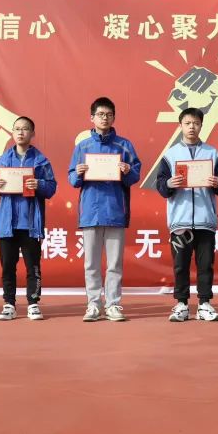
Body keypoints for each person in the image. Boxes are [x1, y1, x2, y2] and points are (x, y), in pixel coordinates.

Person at [67, 97, 142, 322]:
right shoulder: (83, 147)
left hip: (115, 210)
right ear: (92, 118)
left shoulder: (124, 145)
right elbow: (72, 179)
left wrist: (127, 170)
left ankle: (113, 304)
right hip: (90, 212)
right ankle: (93, 304)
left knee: (114, 264)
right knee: (91, 263)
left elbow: (135, 175)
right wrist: (79, 173)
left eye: (109, 114)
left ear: (114, 117)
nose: (105, 118)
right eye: (100, 114)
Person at [154, 108, 218, 322]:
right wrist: (169, 183)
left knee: (205, 264)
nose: (191, 127)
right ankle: (181, 304)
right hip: (181, 221)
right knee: (181, 264)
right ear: (180, 126)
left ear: (201, 126)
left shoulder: (213, 153)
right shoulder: (170, 155)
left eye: (196, 123)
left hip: (206, 220)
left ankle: (204, 304)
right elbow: (160, 185)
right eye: (187, 123)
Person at [0, 116, 58, 321]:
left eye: (25, 129)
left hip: (30, 223)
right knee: (7, 266)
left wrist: (40, 185)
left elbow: (51, 187)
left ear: (32, 133)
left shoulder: (41, 161)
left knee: (33, 266)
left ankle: (33, 303)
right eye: (17, 129)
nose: (21, 132)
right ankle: (9, 304)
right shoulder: (3, 160)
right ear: (12, 133)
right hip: (7, 223)